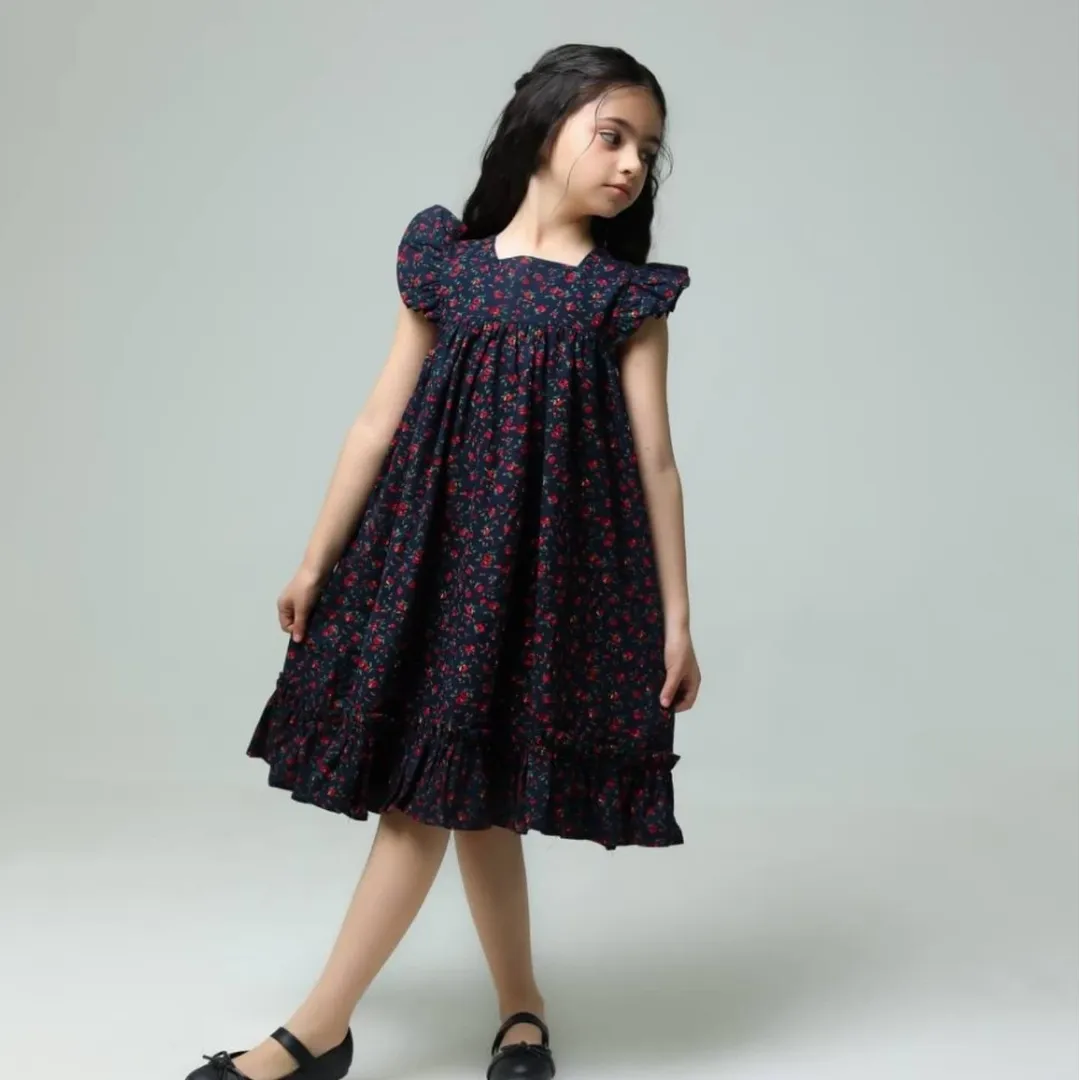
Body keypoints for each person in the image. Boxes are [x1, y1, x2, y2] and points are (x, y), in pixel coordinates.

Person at [186, 41, 702, 1080]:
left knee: (464, 793)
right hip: (432, 567)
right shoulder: (446, 264)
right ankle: (504, 1014)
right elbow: (377, 421)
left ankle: (320, 1034)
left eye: (648, 151)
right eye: (613, 136)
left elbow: (655, 458)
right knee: (451, 791)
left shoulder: (623, 298)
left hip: (545, 579)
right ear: (542, 130)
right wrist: (315, 559)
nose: (632, 165)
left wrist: (678, 619)